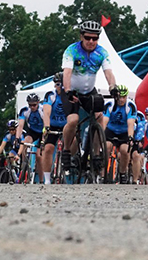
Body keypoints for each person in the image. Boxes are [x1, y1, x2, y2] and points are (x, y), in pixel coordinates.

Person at [61, 20, 116, 169]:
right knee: (73, 120)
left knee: (99, 118)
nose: (91, 41)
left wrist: (113, 87)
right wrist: (67, 90)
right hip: (71, 90)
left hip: (89, 91)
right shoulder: (72, 50)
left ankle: (96, 153)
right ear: (81, 37)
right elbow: (67, 72)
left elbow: (108, 73)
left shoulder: (102, 53)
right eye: (88, 38)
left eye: (95, 38)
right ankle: (66, 150)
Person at [102, 85, 137, 184]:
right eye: (119, 97)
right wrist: (102, 134)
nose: (121, 100)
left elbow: (131, 124)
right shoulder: (109, 104)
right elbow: (104, 121)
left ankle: (122, 173)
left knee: (124, 150)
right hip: (111, 129)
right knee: (107, 147)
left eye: (123, 97)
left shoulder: (130, 106)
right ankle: (102, 174)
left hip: (124, 131)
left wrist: (130, 137)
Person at [41, 72, 67, 184]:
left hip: (66, 126)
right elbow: (46, 112)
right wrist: (47, 127)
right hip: (53, 125)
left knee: (72, 143)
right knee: (48, 149)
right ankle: (47, 178)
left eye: (61, 84)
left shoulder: (68, 95)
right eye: (57, 84)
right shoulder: (50, 95)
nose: (59, 86)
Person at [16, 93, 44, 182]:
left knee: (39, 156)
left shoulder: (42, 110)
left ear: (38, 103)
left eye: (34, 105)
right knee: (25, 142)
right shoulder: (25, 111)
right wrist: (17, 138)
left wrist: (43, 140)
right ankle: (24, 164)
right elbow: (20, 126)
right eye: (30, 105)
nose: (32, 107)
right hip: (33, 131)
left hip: (43, 131)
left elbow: (47, 124)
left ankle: (41, 180)